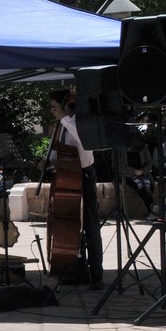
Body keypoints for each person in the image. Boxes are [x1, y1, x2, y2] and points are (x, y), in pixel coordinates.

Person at [47, 89, 104, 289]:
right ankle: (78, 271)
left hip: (85, 175)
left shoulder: (78, 122)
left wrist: (64, 118)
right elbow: (60, 150)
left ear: (65, 105)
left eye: (54, 107)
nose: (52, 111)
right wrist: (49, 161)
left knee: (90, 226)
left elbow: (83, 141)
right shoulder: (62, 125)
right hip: (69, 175)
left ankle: (96, 274)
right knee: (72, 225)